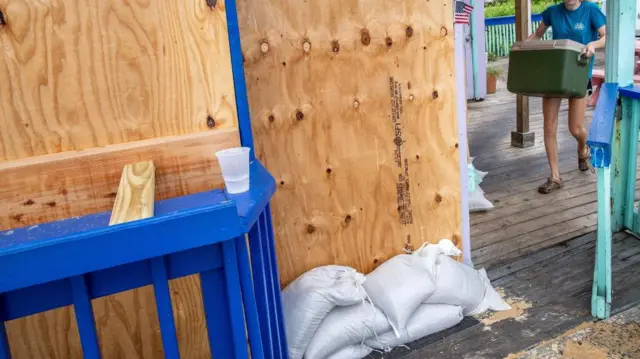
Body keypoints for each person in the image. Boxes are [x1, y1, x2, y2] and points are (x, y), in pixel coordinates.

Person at [527, 0, 606, 194]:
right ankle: (555, 177)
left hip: (579, 74)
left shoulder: (591, 10)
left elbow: (605, 36)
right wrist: (522, 48)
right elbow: (537, 35)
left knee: (576, 128)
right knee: (549, 125)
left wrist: (593, 44)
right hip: (555, 74)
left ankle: (583, 149)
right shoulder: (553, 12)